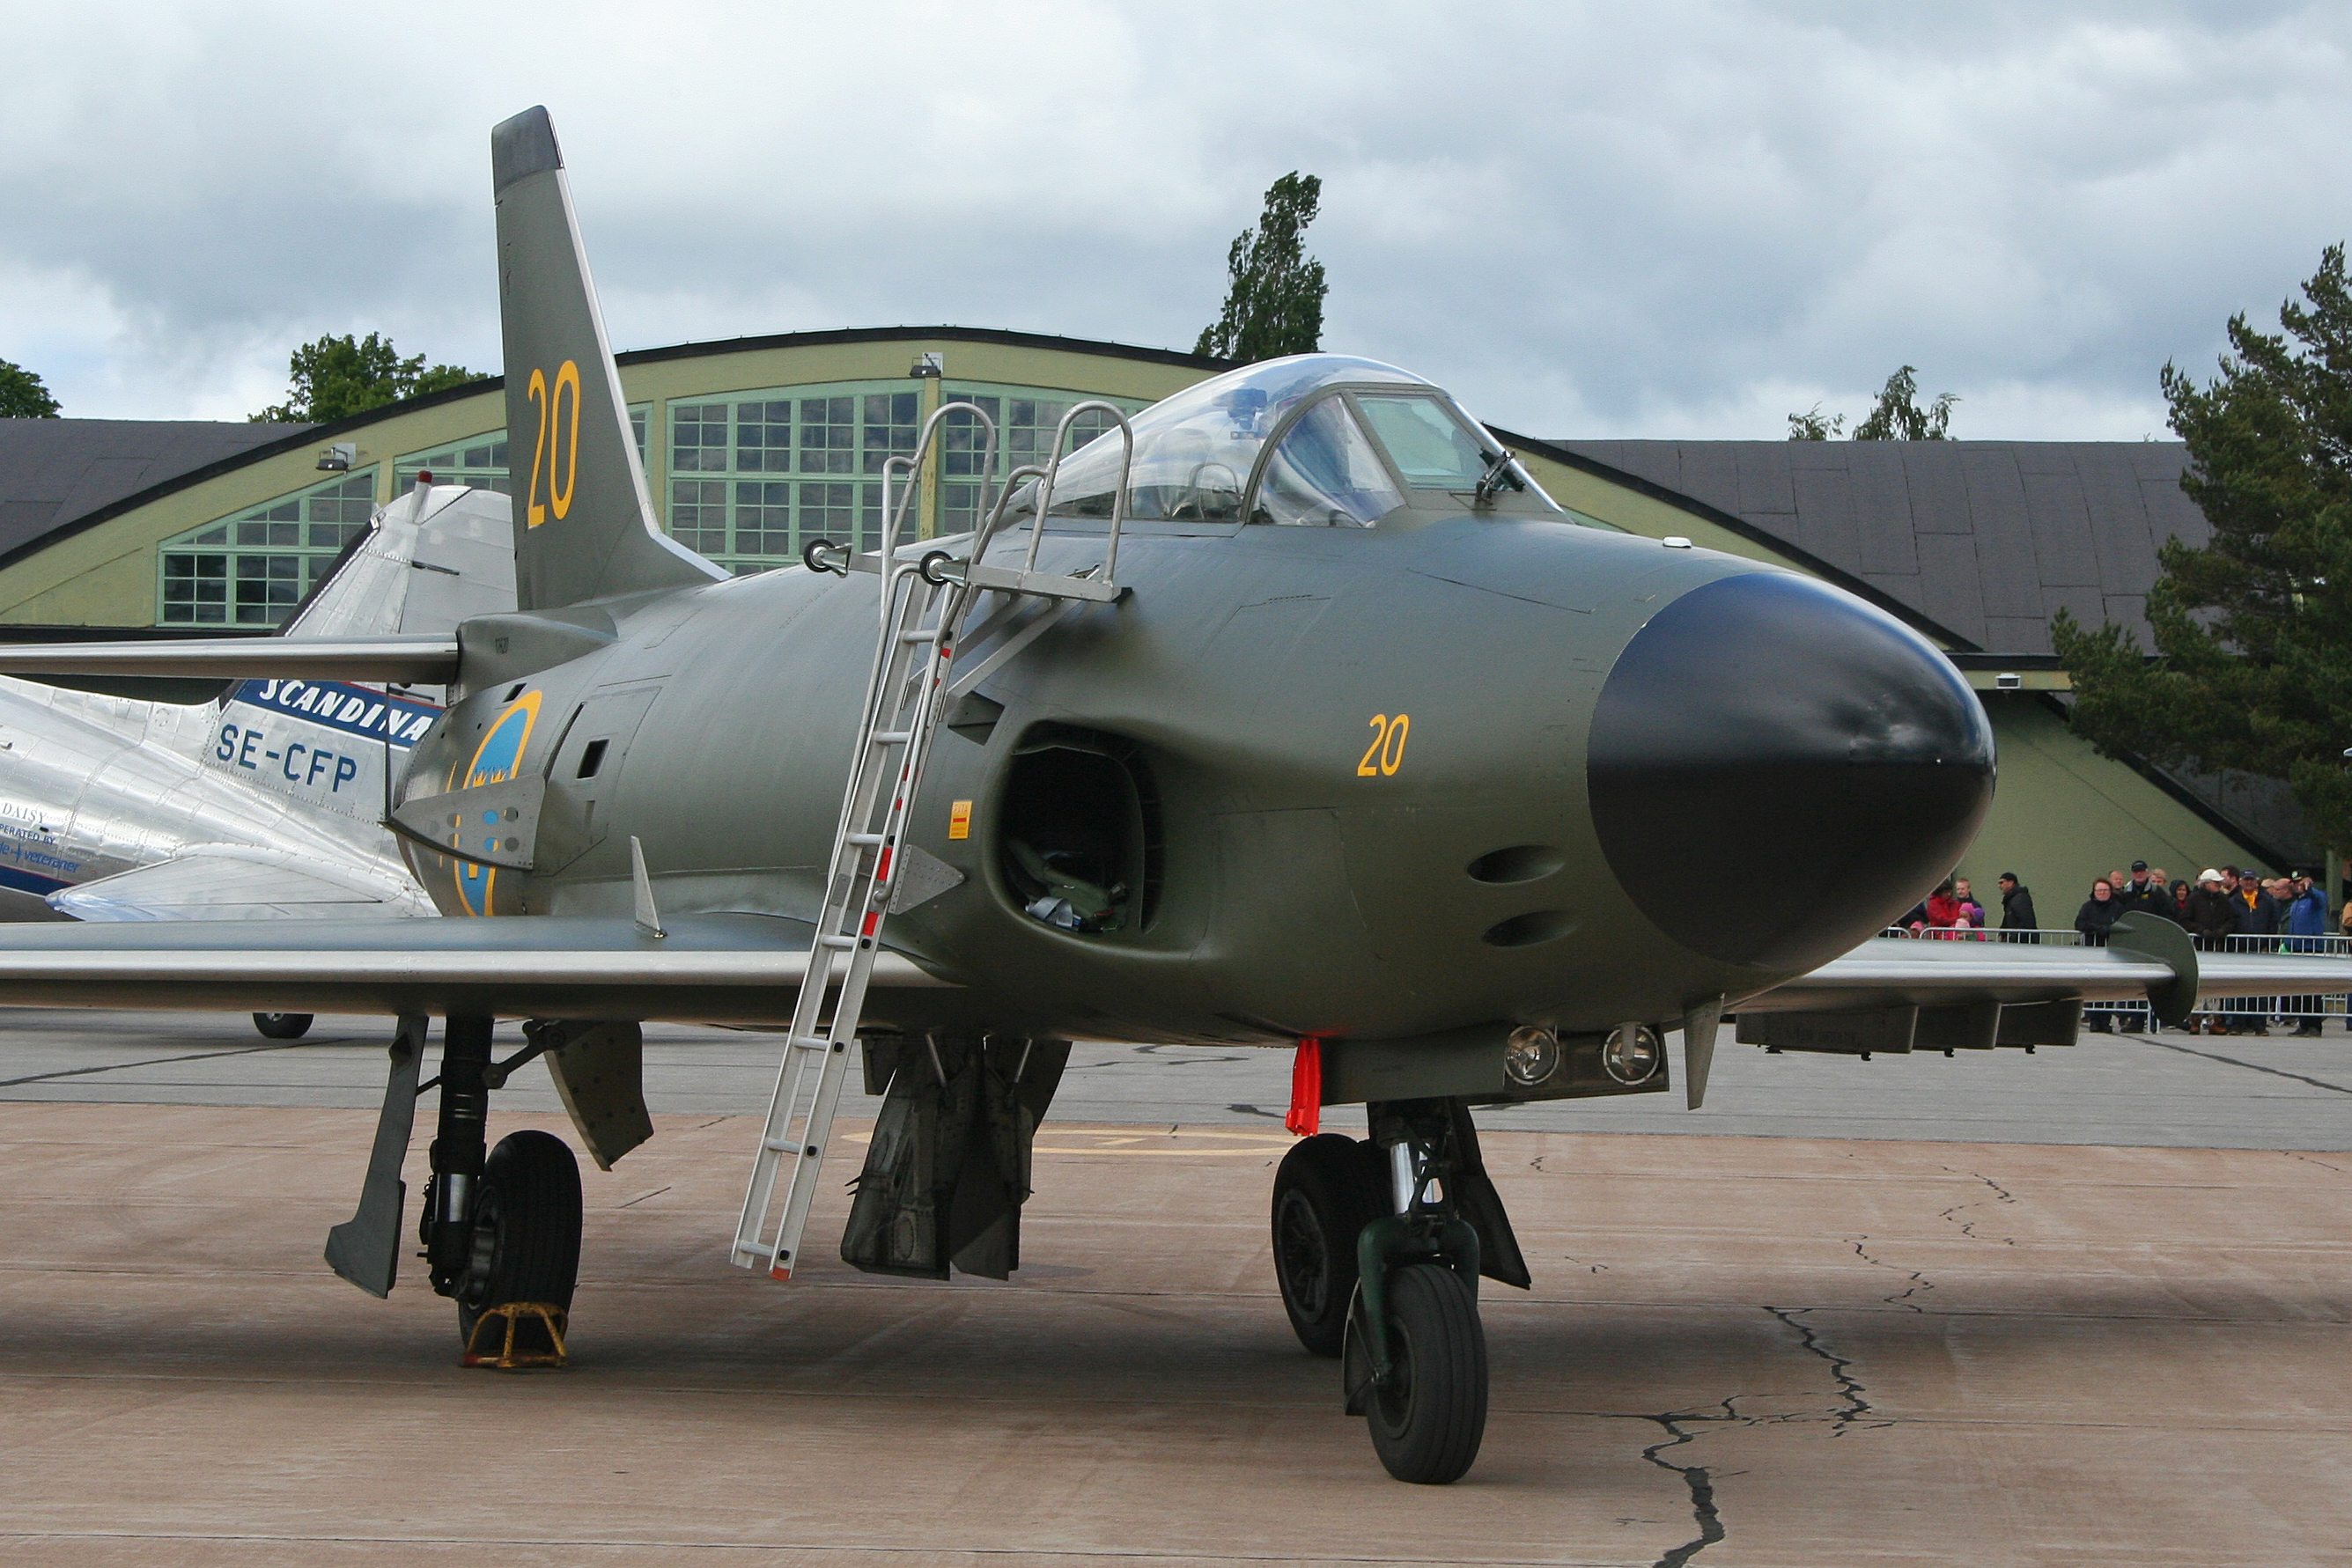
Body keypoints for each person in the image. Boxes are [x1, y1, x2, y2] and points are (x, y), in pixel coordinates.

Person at [2185, 870, 2239, 1032]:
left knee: (2216, 983)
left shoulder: (2223, 899)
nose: (2219, 885)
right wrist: (2202, 931)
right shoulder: (2194, 899)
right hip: (2199, 948)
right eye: (2216, 882)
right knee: (2199, 984)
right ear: (2206, 883)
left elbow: (2232, 919)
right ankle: (2195, 1019)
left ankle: (2216, 1019)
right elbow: (2185, 920)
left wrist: (2222, 931)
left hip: (2217, 947)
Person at [2282, 871, 2330, 1035]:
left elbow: (2319, 898)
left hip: (2311, 947)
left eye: (2300, 882)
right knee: (2298, 988)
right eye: (2295, 883)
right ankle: (2303, 1023)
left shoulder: (2315, 899)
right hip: (2296, 948)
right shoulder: (2296, 903)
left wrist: (2310, 888)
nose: (2297, 886)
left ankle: (2314, 1025)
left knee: (2312, 988)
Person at [2076, 878, 2120, 1029]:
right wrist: (2097, 928)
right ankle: (2094, 1019)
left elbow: (2122, 925)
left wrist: (2109, 930)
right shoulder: (2087, 907)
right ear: (2094, 892)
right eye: (2099, 890)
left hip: (2111, 952)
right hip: (2092, 953)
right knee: (2094, 985)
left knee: (2109, 986)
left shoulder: (2118, 908)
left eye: (2105, 890)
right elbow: (2079, 923)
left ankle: (2105, 1020)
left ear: (2110, 892)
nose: (2102, 893)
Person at [1997, 872, 2039, 943]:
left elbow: (2026, 922)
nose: (1999, 886)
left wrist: (2013, 938)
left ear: (2011, 883)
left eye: (2002, 883)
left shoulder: (2020, 899)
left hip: (2023, 943)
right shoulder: (2012, 899)